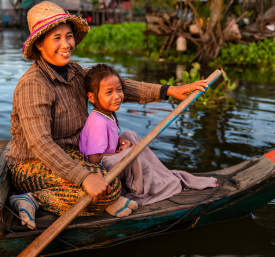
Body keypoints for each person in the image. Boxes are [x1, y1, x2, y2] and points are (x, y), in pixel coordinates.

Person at [5, 1, 209, 225]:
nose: (66, 44)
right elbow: (41, 144)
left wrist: (168, 90)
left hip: (72, 154)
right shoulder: (34, 84)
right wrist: (83, 177)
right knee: (108, 190)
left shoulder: (73, 71)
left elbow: (113, 88)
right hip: (32, 165)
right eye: (56, 38)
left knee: (111, 181)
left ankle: (67, 198)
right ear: (40, 45)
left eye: (69, 36)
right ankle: (31, 198)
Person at [79, 64, 218, 206]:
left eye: (119, 90)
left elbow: (108, 144)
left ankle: (154, 176)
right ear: (92, 97)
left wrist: (122, 145)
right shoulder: (98, 122)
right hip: (98, 171)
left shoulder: (106, 115)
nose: (117, 96)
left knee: (129, 135)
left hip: (105, 160)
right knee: (132, 153)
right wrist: (126, 152)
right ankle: (140, 189)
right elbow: (94, 159)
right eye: (109, 92)